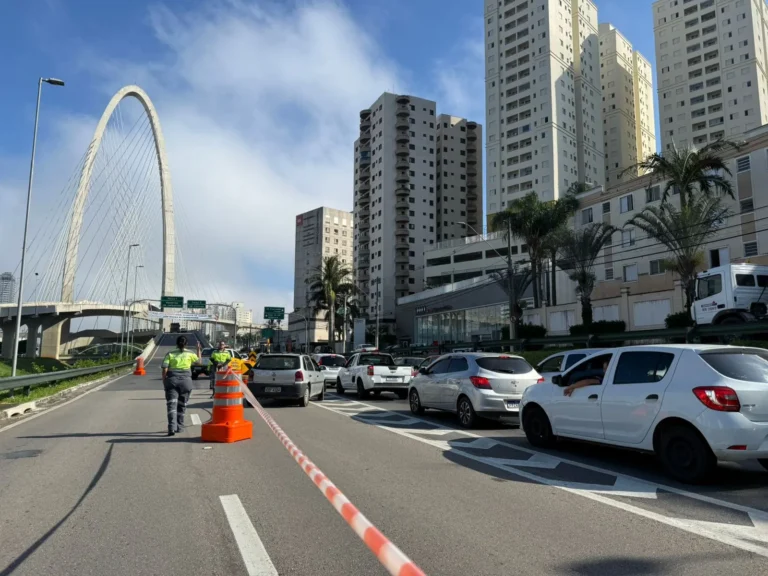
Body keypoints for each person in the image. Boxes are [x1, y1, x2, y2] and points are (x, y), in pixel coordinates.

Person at [161, 336, 199, 436]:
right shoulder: (190, 353)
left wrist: (165, 382)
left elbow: (165, 369)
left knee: (171, 405)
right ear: (186, 344)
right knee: (182, 405)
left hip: (172, 380)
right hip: (186, 382)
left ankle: (171, 428)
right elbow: (199, 361)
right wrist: (198, 349)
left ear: (176, 343)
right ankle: (180, 426)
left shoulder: (170, 353)